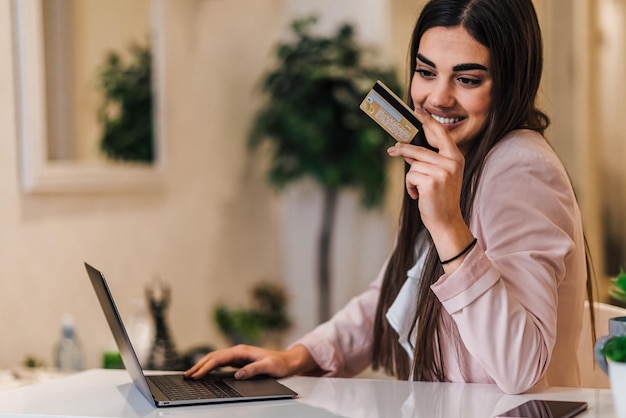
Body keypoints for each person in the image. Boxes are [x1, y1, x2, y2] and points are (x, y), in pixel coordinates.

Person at [185, 0, 593, 395]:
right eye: (426, 72)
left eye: (467, 79)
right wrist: (298, 356)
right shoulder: (456, 160)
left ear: (512, 82)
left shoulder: (521, 167)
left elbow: (520, 368)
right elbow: (393, 293)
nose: (438, 98)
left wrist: (449, 226)